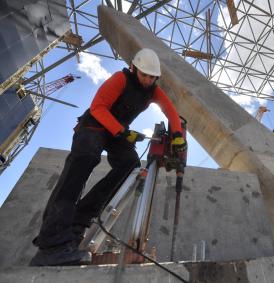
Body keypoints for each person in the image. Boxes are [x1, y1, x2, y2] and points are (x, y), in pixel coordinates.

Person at [30, 48, 187, 266]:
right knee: (82, 163)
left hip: (116, 132)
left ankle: (79, 221)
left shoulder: (153, 91)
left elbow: (171, 111)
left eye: (152, 77)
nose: (147, 80)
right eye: (144, 75)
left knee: (130, 164)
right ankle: (51, 244)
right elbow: (98, 108)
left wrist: (178, 135)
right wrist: (123, 132)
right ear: (134, 68)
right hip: (93, 126)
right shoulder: (120, 79)